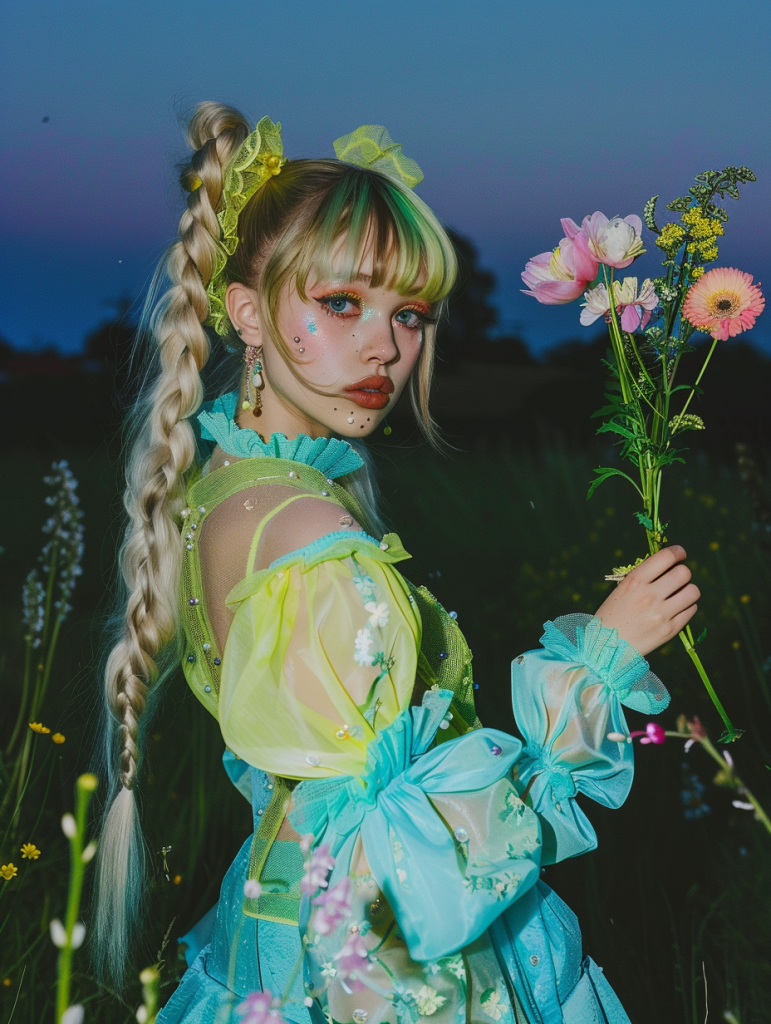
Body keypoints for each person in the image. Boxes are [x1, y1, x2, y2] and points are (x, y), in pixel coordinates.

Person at [92, 102, 699, 1024]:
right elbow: (404, 862)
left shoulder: (227, 488)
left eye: (407, 312)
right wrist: (596, 666)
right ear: (247, 314)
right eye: (341, 303)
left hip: (280, 921)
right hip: (384, 967)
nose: (384, 345)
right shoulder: (307, 539)